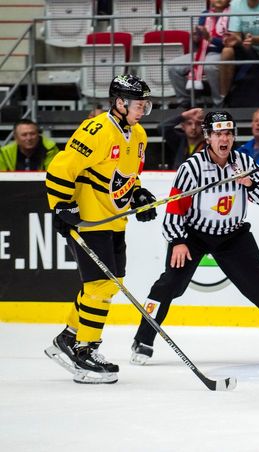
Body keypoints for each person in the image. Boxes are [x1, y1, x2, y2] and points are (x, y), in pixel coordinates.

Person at [129, 111, 259, 365]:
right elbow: (174, 208)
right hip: (193, 235)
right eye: (218, 134)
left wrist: (249, 183)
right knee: (169, 285)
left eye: (228, 133)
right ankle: (142, 339)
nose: (224, 138)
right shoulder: (191, 168)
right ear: (208, 137)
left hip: (233, 235)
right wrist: (178, 241)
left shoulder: (244, 162)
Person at [43, 74, 158, 384]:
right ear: (120, 103)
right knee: (100, 287)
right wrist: (61, 206)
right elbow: (60, 168)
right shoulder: (96, 130)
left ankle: (69, 337)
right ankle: (85, 349)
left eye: (146, 104)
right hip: (89, 222)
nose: (143, 109)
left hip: (114, 221)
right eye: (139, 104)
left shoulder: (139, 136)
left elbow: (128, 177)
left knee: (111, 282)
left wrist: (139, 195)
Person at [168, 0, 230, 108]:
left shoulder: (233, 15)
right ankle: (186, 102)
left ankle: (218, 103)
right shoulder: (205, 14)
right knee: (173, 66)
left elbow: (229, 43)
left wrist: (210, 39)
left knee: (210, 66)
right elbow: (199, 41)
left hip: (221, 52)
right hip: (202, 52)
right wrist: (196, 37)